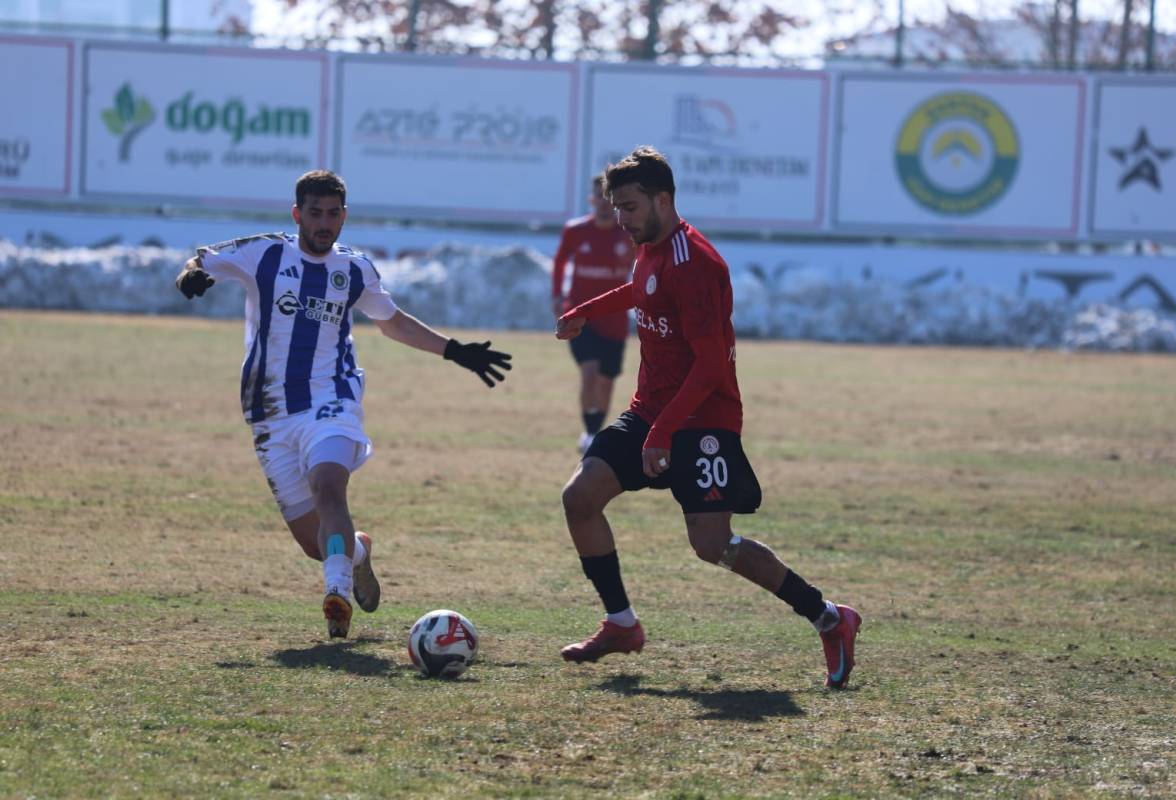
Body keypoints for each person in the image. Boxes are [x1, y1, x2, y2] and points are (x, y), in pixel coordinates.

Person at [555, 147, 862, 689]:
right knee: (579, 498)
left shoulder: (697, 263)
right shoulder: (652, 246)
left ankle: (831, 618)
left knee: (712, 544)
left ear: (663, 199)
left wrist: (664, 432)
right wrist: (587, 311)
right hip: (652, 412)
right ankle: (621, 624)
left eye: (628, 207)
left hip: (704, 419)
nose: (620, 220)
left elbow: (712, 366)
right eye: (615, 207)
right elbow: (644, 290)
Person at [175, 170, 512, 639]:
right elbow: (200, 261)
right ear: (297, 214)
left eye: (334, 214)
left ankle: (336, 597)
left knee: (329, 486)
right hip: (270, 410)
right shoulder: (265, 253)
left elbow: (392, 322)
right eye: (315, 213)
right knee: (317, 541)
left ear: (345, 217)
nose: (324, 224)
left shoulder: (355, 270)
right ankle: (356, 553)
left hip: (331, 399)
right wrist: (191, 276)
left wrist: (455, 350)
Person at [552, 174, 635, 453]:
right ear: (591, 200)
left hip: (614, 319)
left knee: (607, 380)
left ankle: (595, 428)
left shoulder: (630, 234)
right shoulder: (575, 231)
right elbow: (560, 262)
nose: (603, 203)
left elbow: (647, 264)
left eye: (609, 198)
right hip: (579, 315)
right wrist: (557, 296)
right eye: (599, 197)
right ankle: (588, 432)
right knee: (589, 372)